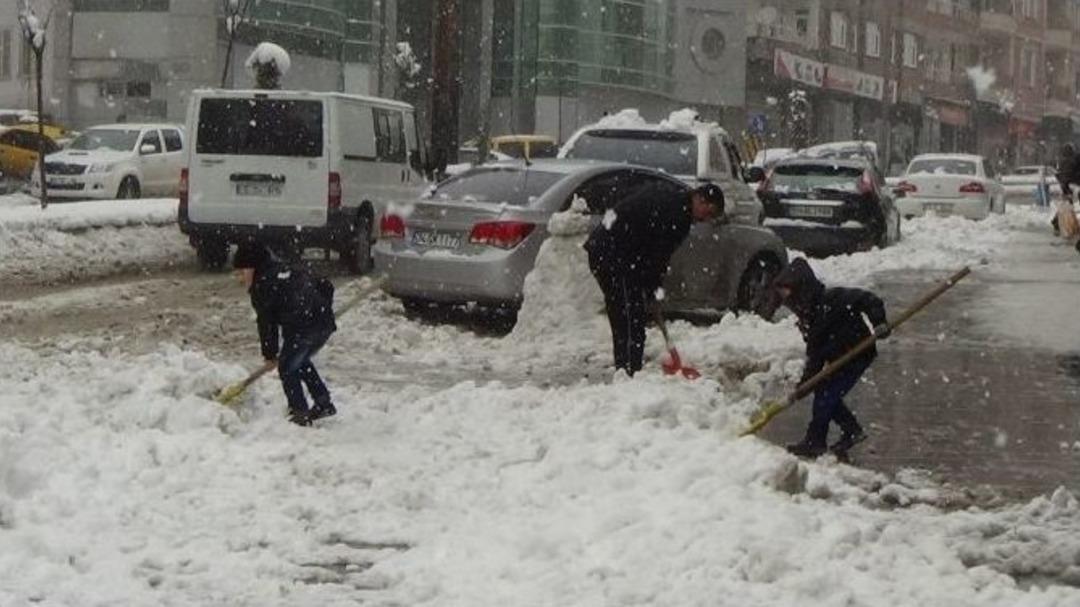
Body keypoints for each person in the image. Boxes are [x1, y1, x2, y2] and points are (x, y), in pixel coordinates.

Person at [584, 183, 725, 376]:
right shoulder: (678, 215)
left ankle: (627, 368)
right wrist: (652, 289)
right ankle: (629, 372)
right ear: (700, 199)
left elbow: (652, 250)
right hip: (615, 254)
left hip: (610, 251)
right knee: (629, 316)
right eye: (708, 212)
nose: (705, 220)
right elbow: (658, 256)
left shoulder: (674, 199)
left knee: (625, 314)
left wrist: (649, 286)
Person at [773, 258, 889, 458]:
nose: (789, 303)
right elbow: (815, 356)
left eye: (790, 295)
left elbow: (869, 299)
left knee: (826, 397)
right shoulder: (809, 318)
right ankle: (851, 431)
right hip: (839, 359)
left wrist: (879, 322)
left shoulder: (834, 298)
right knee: (825, 393)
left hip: (858, 354)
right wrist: (805, 384)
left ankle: (816, 440)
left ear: (802, 289)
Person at [233, 242, 337, 426]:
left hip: (302, 327)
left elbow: (266, 323)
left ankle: (299, 413)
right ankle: (323, 403)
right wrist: (321, 308)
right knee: (300, 361)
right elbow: (325, 284)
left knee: (287, 368)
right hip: (322, 323)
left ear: (253, 268)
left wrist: (270, 355)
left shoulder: (263, 285)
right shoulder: (285, 270)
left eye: (242, 272)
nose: (240, 278)